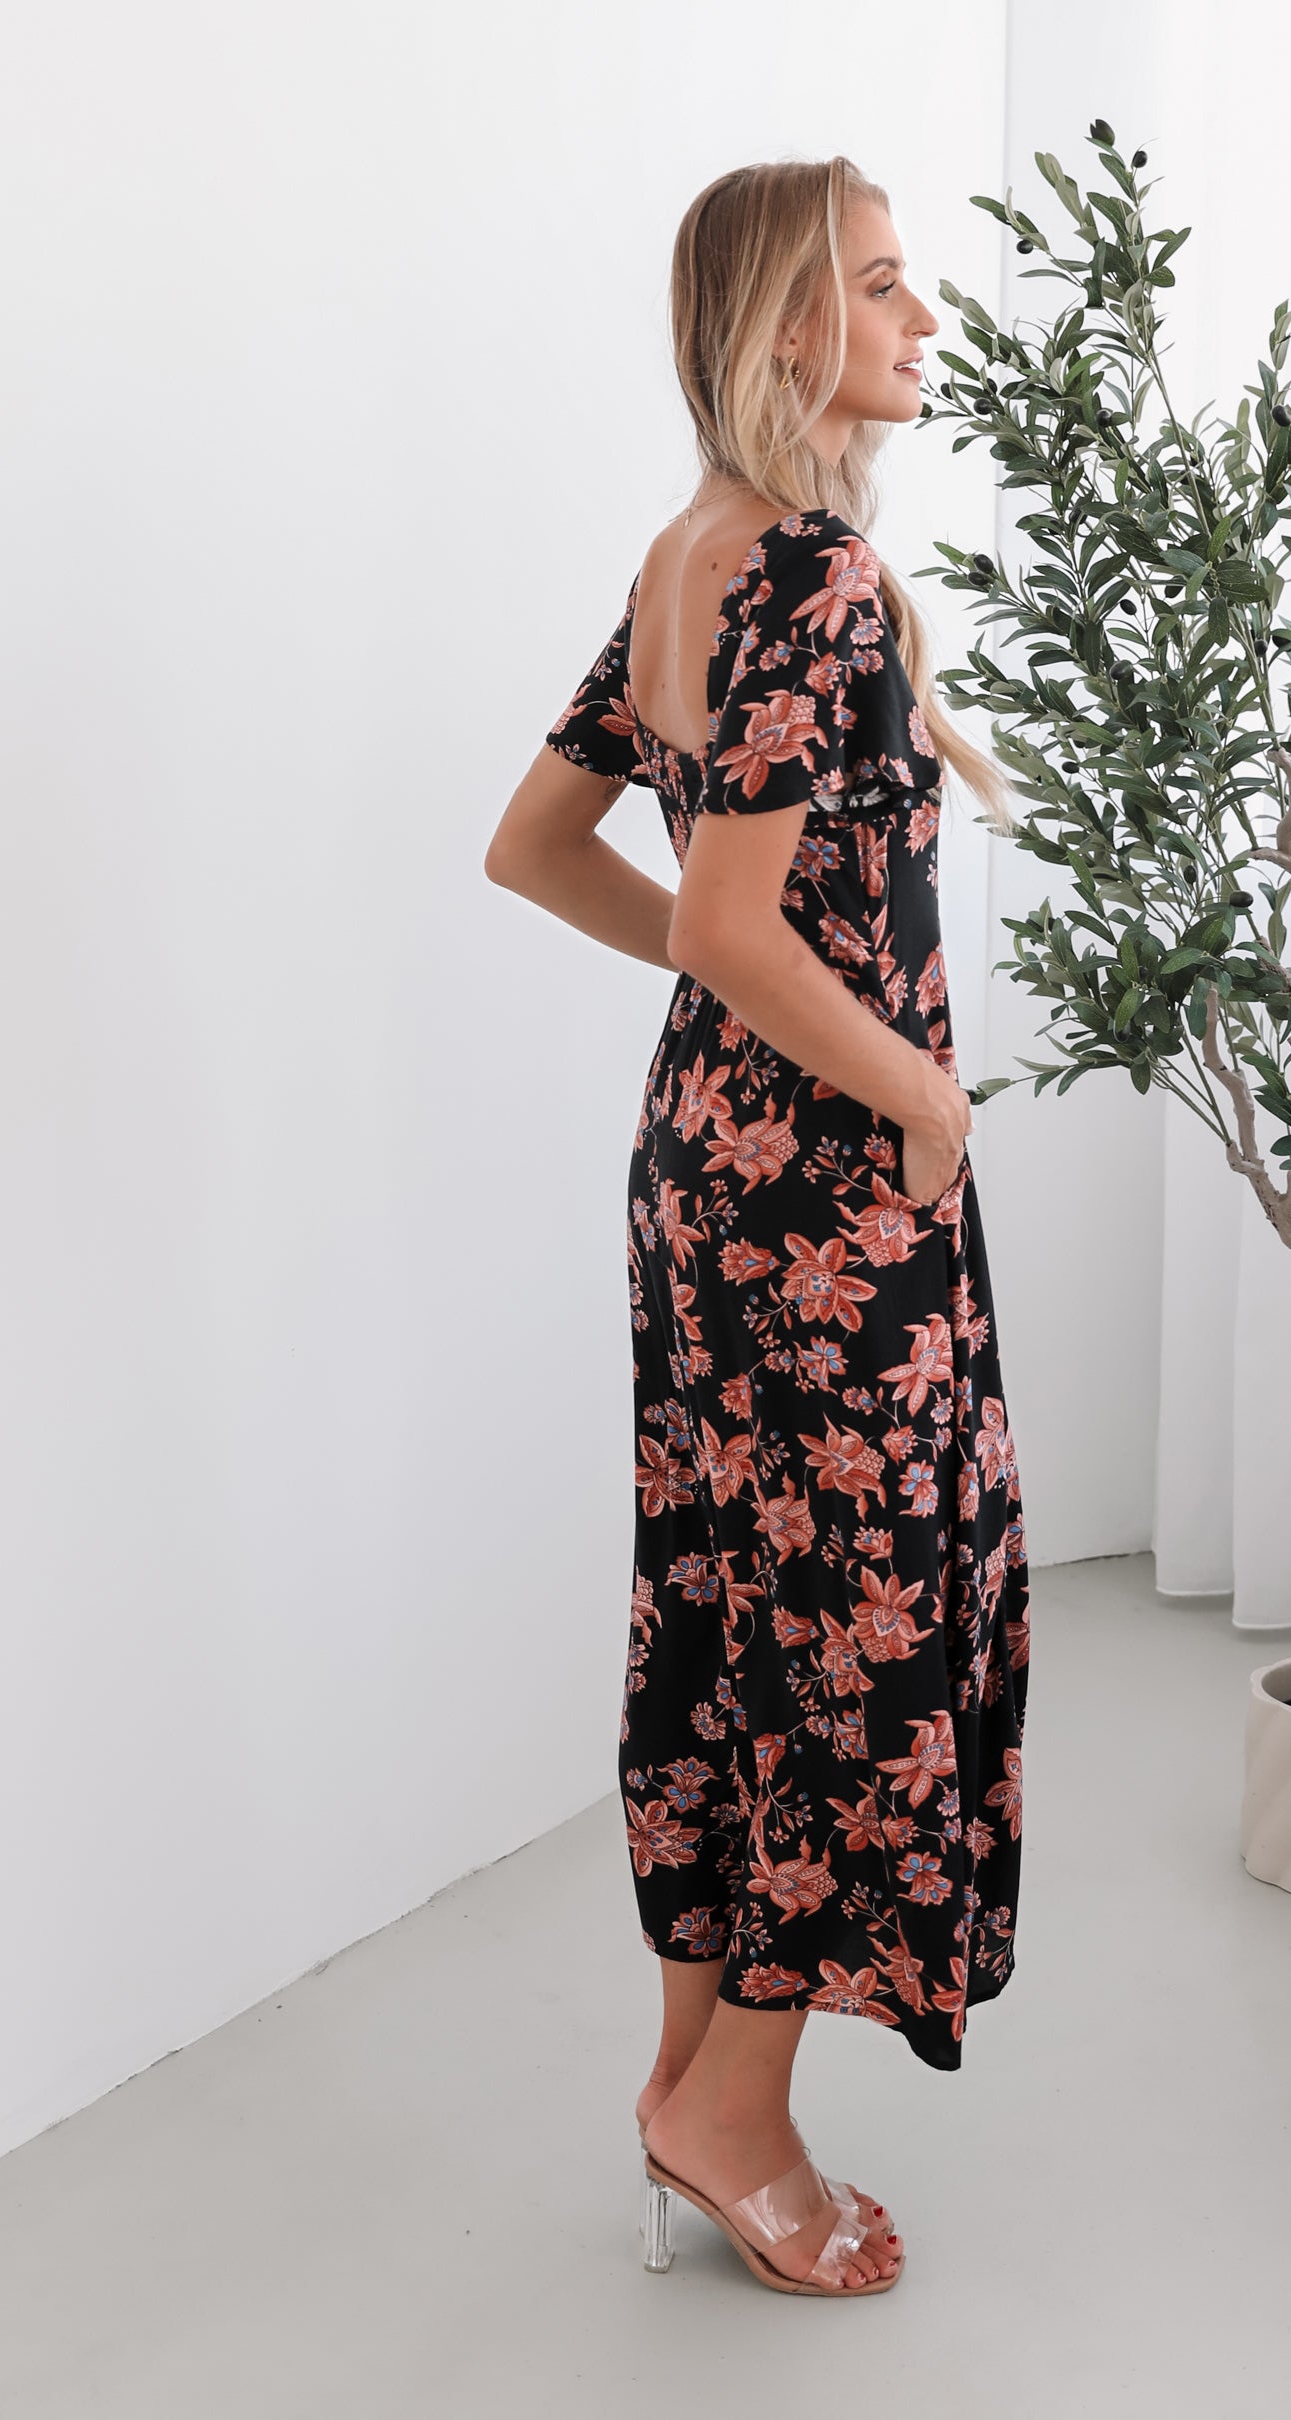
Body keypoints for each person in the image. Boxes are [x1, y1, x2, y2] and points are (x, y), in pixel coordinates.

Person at [484, 155, 1029, 2298]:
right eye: (882, 287)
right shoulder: (793, 564)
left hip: (710, 1166)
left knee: (742, 1606)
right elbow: (714, 907)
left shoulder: (690, 550)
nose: (922, 321)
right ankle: (735, 2111)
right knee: (863, 1630)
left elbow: (541, 848)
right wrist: (909, 1088)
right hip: (819, 1197)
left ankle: (690, 2079)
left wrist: (738, 1016)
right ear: (787, 326)